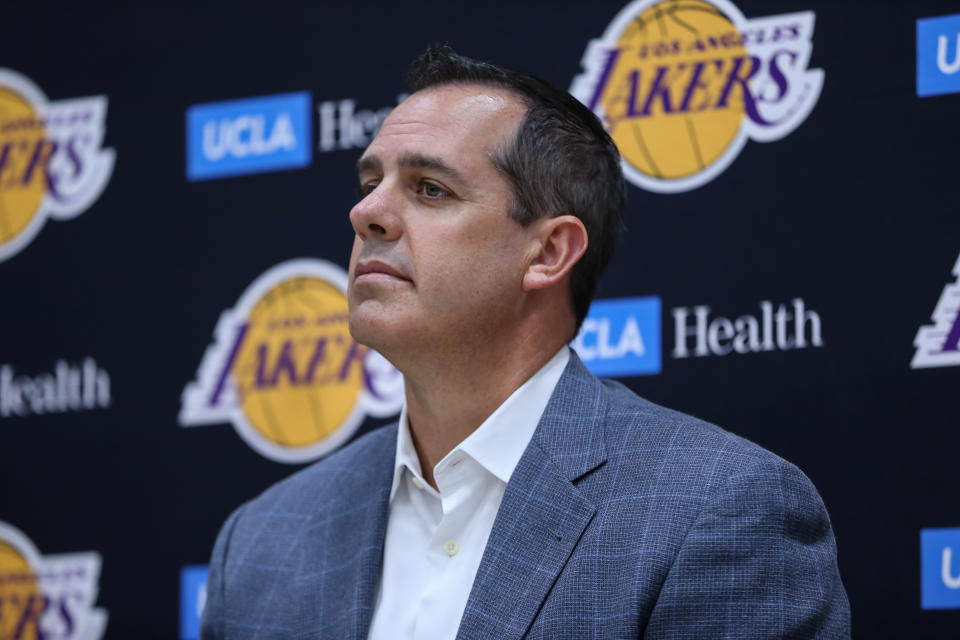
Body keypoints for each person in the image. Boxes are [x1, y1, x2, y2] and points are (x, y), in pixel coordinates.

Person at [201, 45, 850, 639]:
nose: (365, 213)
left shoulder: (721, 510)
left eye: (430, 188)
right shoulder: (262, 540)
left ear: (547, 252)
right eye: (371, 184)